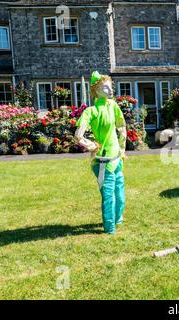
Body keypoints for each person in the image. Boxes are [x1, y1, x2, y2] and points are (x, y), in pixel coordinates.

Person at [74, 71, 127, 234]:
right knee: (108, 196)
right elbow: (78, 136)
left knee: (120, 194)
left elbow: (122, 126)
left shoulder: (113, 106)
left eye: (110, 87)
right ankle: (109, 227)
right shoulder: (91, 112)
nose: (110, 91)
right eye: (105, 88)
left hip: (117, 158)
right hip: (103, 162)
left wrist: (122, 148)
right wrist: (90, 145)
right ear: (96, 90)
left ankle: (118, 218)